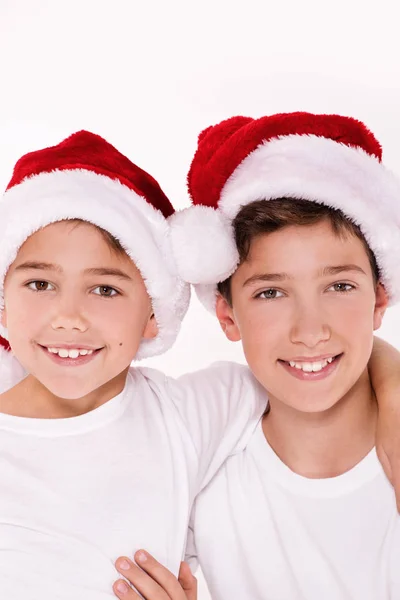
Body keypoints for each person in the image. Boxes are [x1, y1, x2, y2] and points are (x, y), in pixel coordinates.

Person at [0, 130, 266, 600]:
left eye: (105, 289)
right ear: (3, 304)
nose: (68, 317)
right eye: (40, 284)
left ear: (153, 313)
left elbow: (321, 368)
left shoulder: (185, 415)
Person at [160, 112, 400, 599]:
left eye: (339, 286)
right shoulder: (203, 460)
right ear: (227, 316)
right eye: (271, 293)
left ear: (379, 299)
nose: (311, 331)